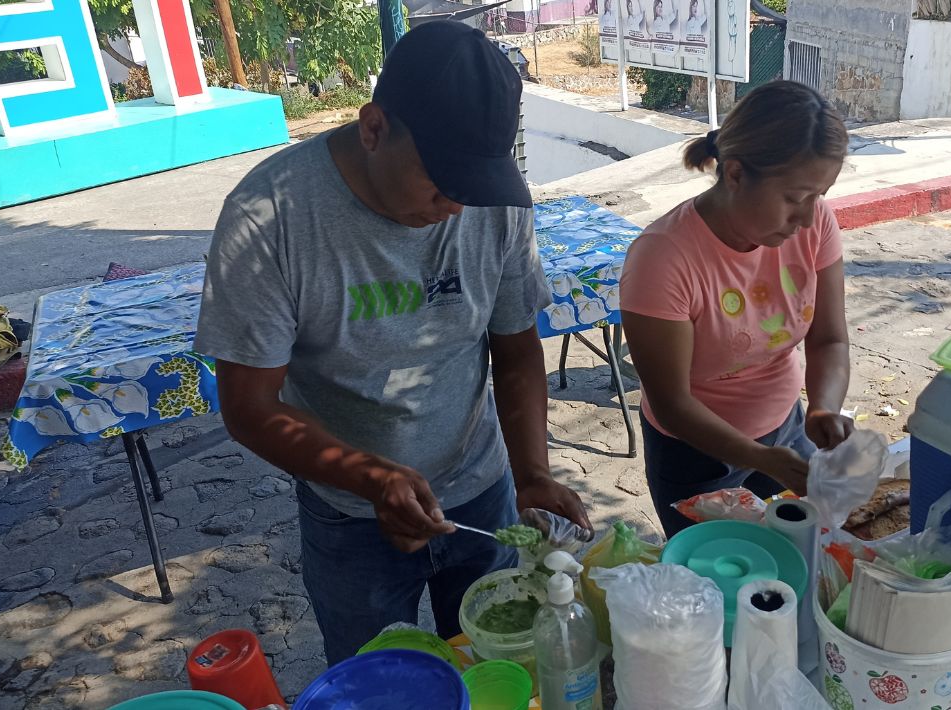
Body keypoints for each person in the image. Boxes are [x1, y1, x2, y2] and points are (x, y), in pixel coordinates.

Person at [195, 21, 590, 666]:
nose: (457, 209)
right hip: (350, 517)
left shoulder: (491, 204)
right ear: (373, 126)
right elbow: (248, 406)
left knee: (500, 668)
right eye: (440, 182)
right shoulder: (270, 216)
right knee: (378, 677)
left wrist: (533, 473)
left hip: (480, 487)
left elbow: (515, 348)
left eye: (473, 188)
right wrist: (371, 477)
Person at [620, 81, 854, 538]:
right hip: (695, 453)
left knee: (806, 559)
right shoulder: (662, 259)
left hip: (786, 430)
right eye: (793, 198)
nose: (807, 218)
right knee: (722, 583)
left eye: (818, 196)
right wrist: (758, 457)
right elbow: (672, 405)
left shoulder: (814, 223)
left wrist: (824, 408)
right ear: (735, 175)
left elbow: (829, 338)